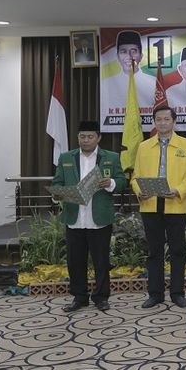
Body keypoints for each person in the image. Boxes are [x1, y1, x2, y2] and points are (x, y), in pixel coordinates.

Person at [52, 120, 127, 312]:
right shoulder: (66, 157)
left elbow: (122, 182)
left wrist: (111, 183)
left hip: (99, 218)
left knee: (101, 261)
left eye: (90, 136)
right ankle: (79, 297)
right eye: (82, 137)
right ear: (78, 137)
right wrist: (57, 194)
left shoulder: (111, 157)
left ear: (98, 138)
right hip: (75, 218)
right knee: (75, 261)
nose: (86, 140)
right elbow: (57, 182)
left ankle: (101, 297)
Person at [131, 105, 186, 308]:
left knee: (178, 250)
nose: (162, 123)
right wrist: (139, 191)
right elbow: (135, 176)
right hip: (150, 204)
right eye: (159, 120)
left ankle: (177, 293)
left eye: (166, 119)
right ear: (154, 122)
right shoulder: (144, 146)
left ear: (174, 121)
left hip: (175, 203)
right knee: (154, 251)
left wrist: (179, 190)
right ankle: (155, 294)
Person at [100, 30, 156, 121]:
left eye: (133, 51)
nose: (129, 56)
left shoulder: (154, 83)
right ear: (117, 56)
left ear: (141, 56)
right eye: (123, 51)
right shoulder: (106, 83)